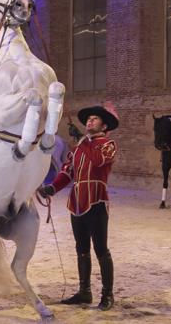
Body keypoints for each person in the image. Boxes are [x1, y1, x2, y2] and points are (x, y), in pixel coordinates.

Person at [38, 103, 119, 311]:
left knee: (101, 249)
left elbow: (97, 160)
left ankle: (108, 295)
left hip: (96, 201)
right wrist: (52, 189)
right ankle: (85, 292)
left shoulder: (107, 145)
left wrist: (86, 142)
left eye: (95, 119)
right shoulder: (79, 147)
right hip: (76, 203)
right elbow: (67, 172)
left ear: (104, 125)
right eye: (89, 119)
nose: (90, 121)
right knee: (81, 249)